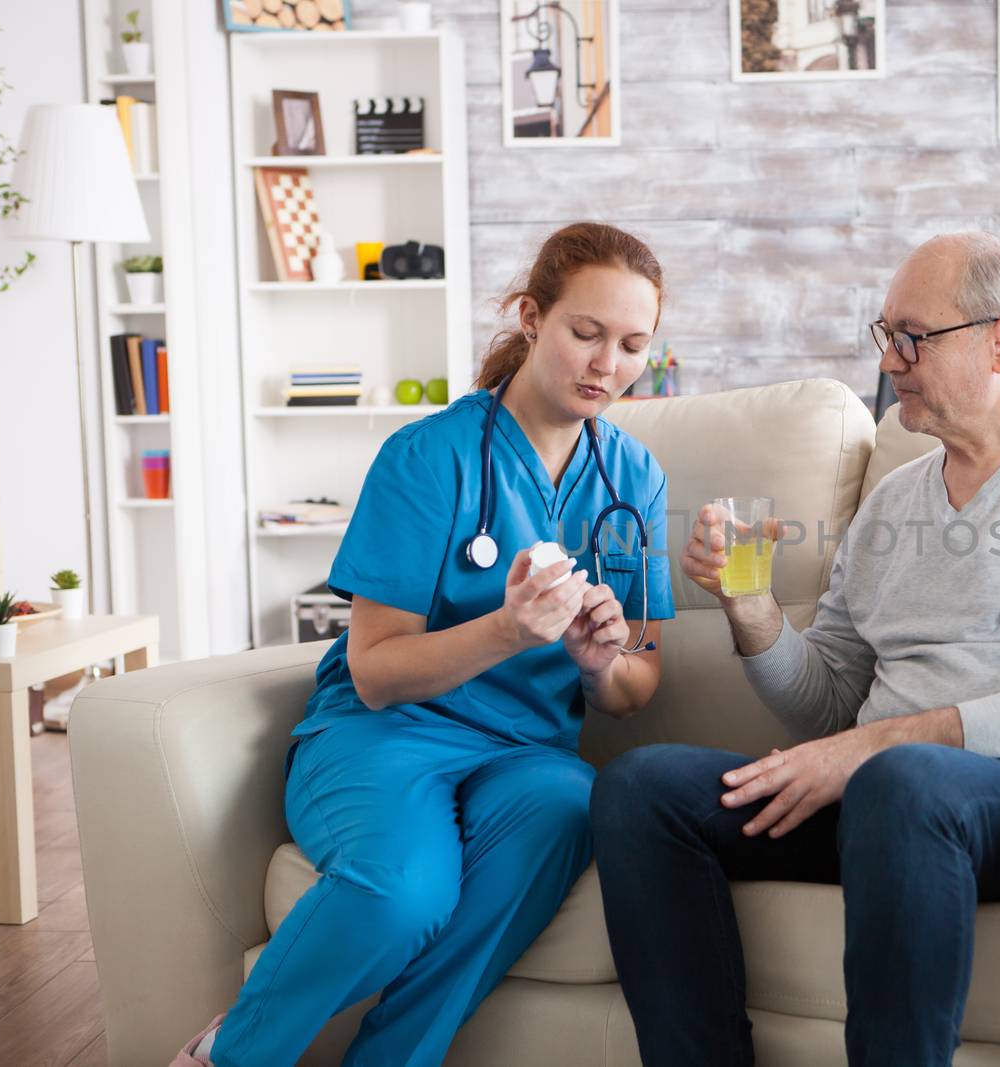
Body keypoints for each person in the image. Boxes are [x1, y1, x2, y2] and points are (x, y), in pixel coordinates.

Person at [590, 232, 1000, 1067]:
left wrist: (876, 748)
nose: (892, 359)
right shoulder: (896, 500)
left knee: (903, 781)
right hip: (887, 800)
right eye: (885, 335)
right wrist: (751, 608)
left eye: (914, 336)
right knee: (641, 789)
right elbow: (831, 698)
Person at [174, 223, 676, 1067]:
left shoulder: (635, 477)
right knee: (403, 894)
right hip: (386, 734)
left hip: (527, 752)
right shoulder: (428, 457)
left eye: (632, 345)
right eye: (585, 333)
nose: (607, 365)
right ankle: (232, 1053)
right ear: (530, 317)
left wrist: (602, 662)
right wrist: (507, 630)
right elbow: (373, 672)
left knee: (570, 805)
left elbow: (640, 683)